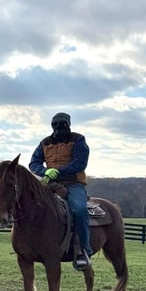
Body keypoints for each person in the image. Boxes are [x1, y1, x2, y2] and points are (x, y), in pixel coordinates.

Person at [29, 112, 93, 270]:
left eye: (62, 124)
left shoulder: (78, 140)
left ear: (68, 124)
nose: (59, 127)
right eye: (55, 124)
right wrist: (45, 171)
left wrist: (59, 171)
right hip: (48, 182)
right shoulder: (44, 142)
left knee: (79, 209)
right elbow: (33, 163)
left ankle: (83, 250)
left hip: (72, 183)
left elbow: (80, 163)